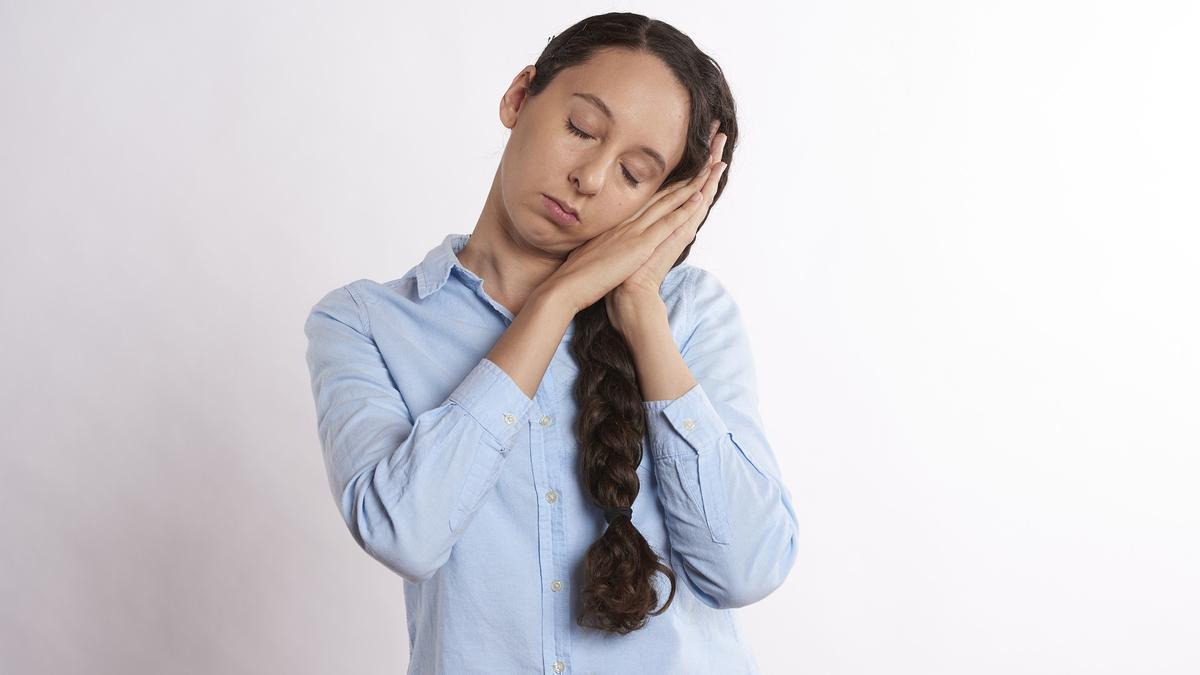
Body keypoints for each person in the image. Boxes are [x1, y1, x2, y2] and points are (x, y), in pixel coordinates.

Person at [303, 12, 798, 674]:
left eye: (634, 173)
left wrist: (639, 311)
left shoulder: (691, 315)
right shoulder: (364, 322)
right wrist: (556, 301)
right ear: (518, 96)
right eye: (581, 129)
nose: (590, 177)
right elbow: (405, 534)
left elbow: (747, 568)